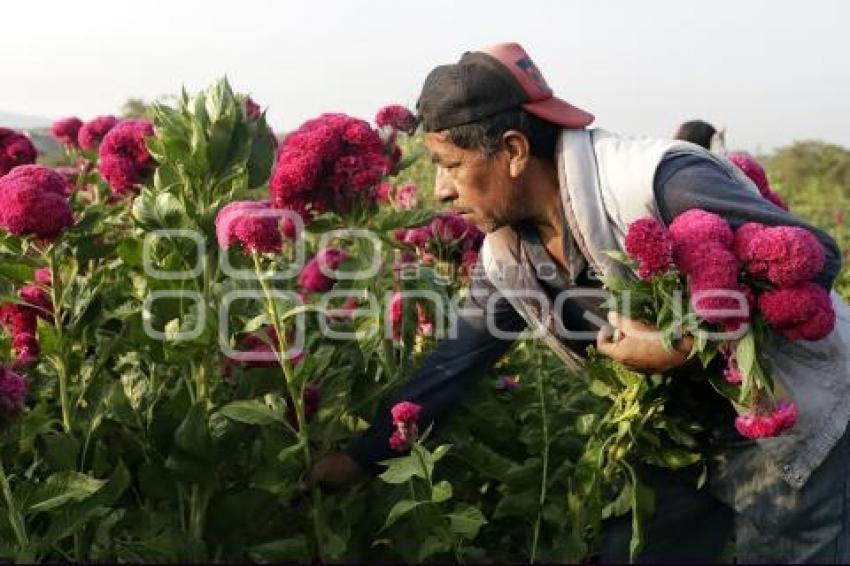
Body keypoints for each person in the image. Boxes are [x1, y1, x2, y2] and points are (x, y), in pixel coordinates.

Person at [311, 42, 850, 562]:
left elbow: (818, 256)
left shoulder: (656, 182)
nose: (440, 190)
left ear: (515, 151)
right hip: (682, 438)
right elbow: (456, 361)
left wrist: (686, 341)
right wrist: (362, 458)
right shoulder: (508, 257)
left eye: (449, 164)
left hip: (791, 418)